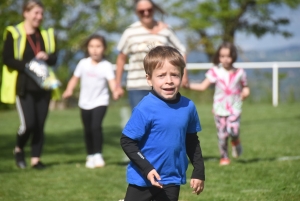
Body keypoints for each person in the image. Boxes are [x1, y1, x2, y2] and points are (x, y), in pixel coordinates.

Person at [120, 46, 205, 201]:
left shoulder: (188, 107)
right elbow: (127, 141)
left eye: (174, 74)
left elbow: (192, 141)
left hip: (171, 179)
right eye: (161, 76)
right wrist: (147, 168)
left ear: (182, 75)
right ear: (149, 78)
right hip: (142, 179)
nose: (169, 81)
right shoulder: (145, 108)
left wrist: (199, 170)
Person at [1, 0, 58, 169]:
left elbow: (54, 59)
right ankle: (18, 149)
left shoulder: (46, 34)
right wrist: (27, 65)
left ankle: (35, 159)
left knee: (40, 124)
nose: (39, 17)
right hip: (23, 86)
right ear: (25, 13)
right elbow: (7, 59)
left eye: (41, 13)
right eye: (36, 13)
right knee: (28, 124)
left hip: (44, 86)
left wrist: (47, 57)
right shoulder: (13, 32)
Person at [115, 0, 189, 110]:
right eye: (142, 11)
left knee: (162, 121)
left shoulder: (166, 30)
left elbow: (181, 51)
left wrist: (184, 75)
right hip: (137, 86)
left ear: (154, 10)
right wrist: (117, 85)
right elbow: (121, 58)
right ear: (136, 12)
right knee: (141, 123)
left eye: (149, 10)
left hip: (163, 85)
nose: (146, 13)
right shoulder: (130, 32)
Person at [62, 34, 120, 169]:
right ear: (87, 48)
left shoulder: (106, 65)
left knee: (96, 126)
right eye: (91, 46)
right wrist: (69, 90)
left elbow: (112, 82)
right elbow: (74, 79)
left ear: (104, 49)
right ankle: (90, 156)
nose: (95, 50)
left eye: (98, 46)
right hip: (85, 102)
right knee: (88, 129)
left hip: (101, 101)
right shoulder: (83, 63)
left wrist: (115, 91)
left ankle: (98, 154)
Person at [189, 42, 250, 166]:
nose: (225, 59)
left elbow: (245, 87)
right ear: (218, 57)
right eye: (222, 56)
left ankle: (235, 141)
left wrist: (245, 93)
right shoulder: (215, 71)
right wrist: (186, 85)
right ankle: (224, 157)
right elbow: (202, 86)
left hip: (234, 107)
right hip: (219, 108)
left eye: (228, 56)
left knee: (233, 130)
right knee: (222, 135)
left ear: (233, 56)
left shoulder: (240, 72)